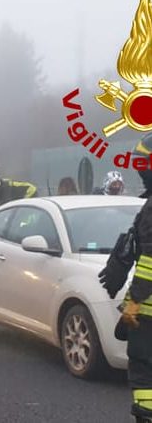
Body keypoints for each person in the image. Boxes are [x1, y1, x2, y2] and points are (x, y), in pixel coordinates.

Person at [99, 135, 152, 422]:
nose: (141, 172)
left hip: (148, 312)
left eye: (143, 165)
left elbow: (150, 267)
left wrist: (132, 304)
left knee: (144, 367)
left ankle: (145, 415)